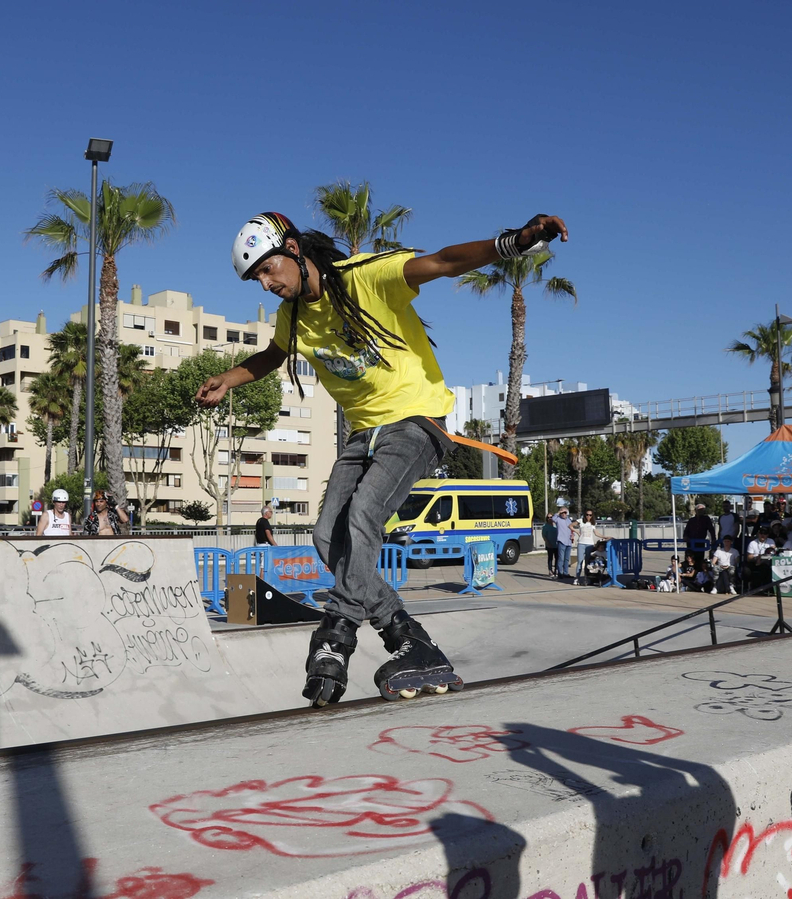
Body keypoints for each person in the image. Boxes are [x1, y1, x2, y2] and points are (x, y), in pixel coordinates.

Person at [199, 210, 566, 705]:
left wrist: (514, 242)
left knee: (366, 514)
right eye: (256, 279)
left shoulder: (364, 277)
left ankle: (338, 632)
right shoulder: (293, 316)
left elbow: (443, 262)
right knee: (328, 535)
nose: (265, 284)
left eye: (267, 270)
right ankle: (409, 639)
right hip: (364, 434)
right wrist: (230, 379)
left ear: (292, 249)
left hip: (417, 423)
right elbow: (271, 354)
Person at [551, 503, 574, 578]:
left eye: (565, 512)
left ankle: (565, 572)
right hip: (561, 541)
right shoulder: (558, 519)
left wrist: (572, 535)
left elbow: (571, 529)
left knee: (567, 559)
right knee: (561, 558)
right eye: (562, 513)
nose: (564, 514)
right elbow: (553, 519)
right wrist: (559, 512)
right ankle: (560, 573)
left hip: (568, 541)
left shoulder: (568, 520)